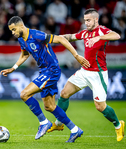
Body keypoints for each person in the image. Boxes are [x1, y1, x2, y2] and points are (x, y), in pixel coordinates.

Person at [0, 16, 90, 142]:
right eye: (11, 31)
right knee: (49, 106)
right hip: (44, 71)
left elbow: (60, 39)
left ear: (21, 26)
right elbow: (25, 54)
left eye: (14, 29)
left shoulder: (36, 34)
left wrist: (76, 56)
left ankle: (43, 122)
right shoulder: (21, 39)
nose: (13, 33)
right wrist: (13, 68)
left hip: (51, 70)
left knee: (24, 94)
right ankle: (75, 130)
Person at [47, 8, 125, 142]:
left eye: (88, 20)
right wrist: (52, 38)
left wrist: (99, 37)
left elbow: (117, 36)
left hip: (98, 74)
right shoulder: (84, 33)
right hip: (84, 72)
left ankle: (118, 125)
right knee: (64, 93)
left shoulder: (102, 31)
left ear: (96, 19)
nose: (86, 23)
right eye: (85, 21)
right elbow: (71, 36)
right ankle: (59, 124)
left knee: (100, 107)